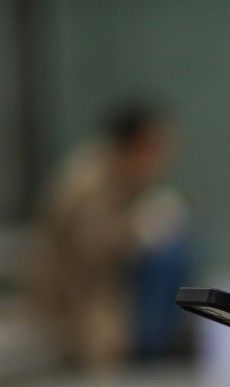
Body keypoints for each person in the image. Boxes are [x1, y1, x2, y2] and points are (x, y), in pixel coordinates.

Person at [27, 99, 195, 370]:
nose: (162, 158)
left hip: (109, 294)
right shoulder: (88, 183)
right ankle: (151, 352)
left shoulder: (123, 177)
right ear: (134, 145)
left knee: (180, 240)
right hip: (80, 299)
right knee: (167, 255)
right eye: (155, 148)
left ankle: (162, 345)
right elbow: (88, 253)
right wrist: (140, 230)